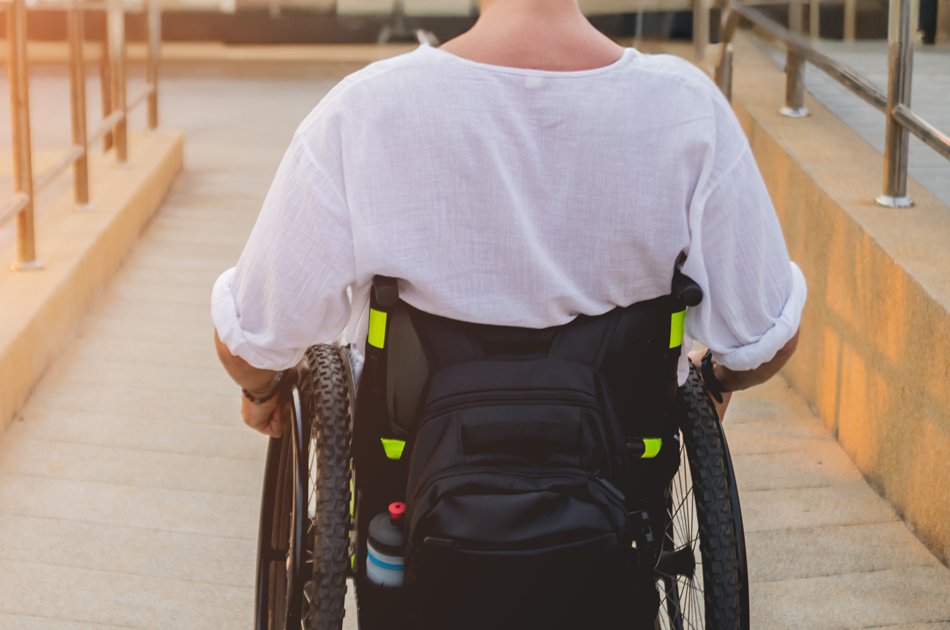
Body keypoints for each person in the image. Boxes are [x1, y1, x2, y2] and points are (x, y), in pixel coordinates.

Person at [212, 0, 805, 436]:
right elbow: (768, 337)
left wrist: (260, 392)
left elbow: (251, 340)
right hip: (614, 481)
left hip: (413, 474)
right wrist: (716, 382)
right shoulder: (687, 109)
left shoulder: (362, 111)